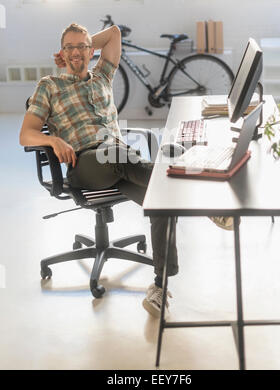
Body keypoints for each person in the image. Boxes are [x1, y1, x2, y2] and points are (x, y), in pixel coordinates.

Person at [19, 22, 234, 317]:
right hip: (85, 165)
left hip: (120, 163)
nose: (75, 53)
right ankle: (203, 199)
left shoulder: (102, 77)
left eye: (81, 47)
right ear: (61, 52)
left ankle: (159, 287)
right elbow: (26, 134)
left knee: (162, 202)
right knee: (121, 156)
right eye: (68, 47)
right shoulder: (49, 85)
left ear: (91, 50)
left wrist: (83, 45)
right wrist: (53, 139)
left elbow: (115, 33)